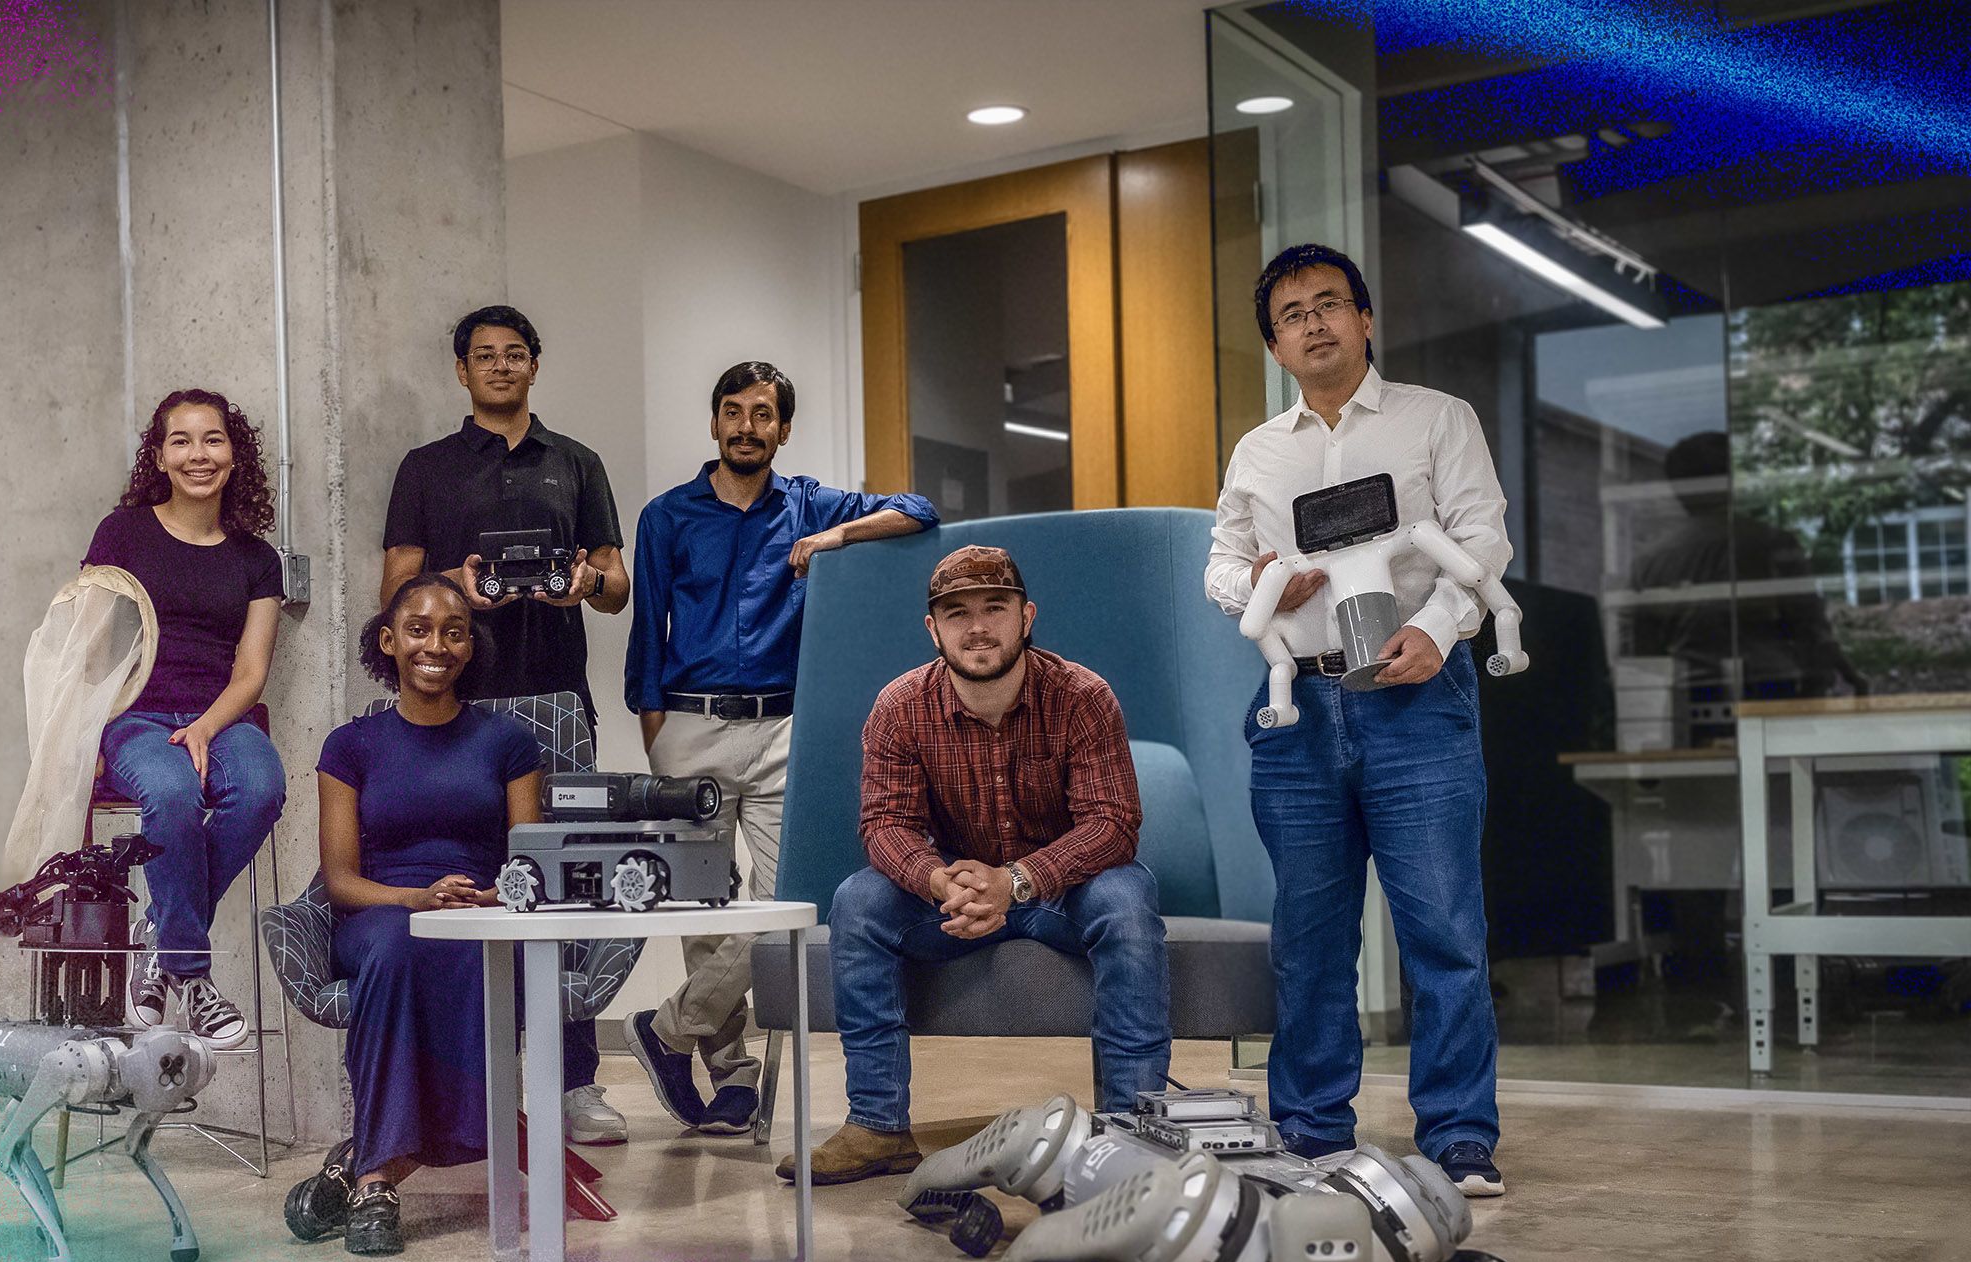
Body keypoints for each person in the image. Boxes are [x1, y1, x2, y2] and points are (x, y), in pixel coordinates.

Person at [1205, 242, 1512, 1197]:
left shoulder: (1436, 419)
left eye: (1330, 304)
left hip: (1417, 696)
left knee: (1443, 930)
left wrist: (1437, 629)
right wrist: (1259, 581)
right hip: (1298, 704)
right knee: (1309, 936)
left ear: (1365, 319)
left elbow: (1481, 539)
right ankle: (1309, 1130)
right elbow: (1220, 564)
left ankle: (1459, 1136)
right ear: (1275, 345)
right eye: (1292, 314)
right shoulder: (1259, 451)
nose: (1315, 323)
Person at [782, 545, 1169, 1185]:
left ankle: (1130, 1131)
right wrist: (940, 881)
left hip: (1057, 893)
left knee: (1126, 897)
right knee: (858, 900)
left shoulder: (1083, 696)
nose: (978, 626)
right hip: (952, 899)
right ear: (933, 629)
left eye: (995, 607)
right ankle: (877, 1127)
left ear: (1027, 617)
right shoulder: (900, 706)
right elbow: (885, 825)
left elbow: (1112, 824)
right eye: (957, 613)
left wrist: (1012, 882)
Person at [622, 360, 937, 1135]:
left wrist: (836, 534)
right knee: (703, 915)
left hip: (780, 730)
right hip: (688, 727)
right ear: (714, 422)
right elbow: (647, 631)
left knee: (790, 904)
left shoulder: (808, 504)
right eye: (733, 412)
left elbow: (918, 511)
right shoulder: (666, 516)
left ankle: (668, 1030)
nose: (746, 427)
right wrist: (657, 734)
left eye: (762, 414)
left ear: (783, 429)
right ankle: (732, 1082)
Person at [380, 304, 632, 1145]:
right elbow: (394, 588)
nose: (499, 366)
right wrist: (455, 586)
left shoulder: (577, 463)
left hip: (557, 698)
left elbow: (617, 583)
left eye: (514, 353)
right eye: (483, 355)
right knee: (467, 874)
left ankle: (574, 1082)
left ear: (534, 365)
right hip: (458, 704)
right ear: (461, 370)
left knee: (564, 881)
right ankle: (471, 1082)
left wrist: (582, 585)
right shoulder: (425, 468)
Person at [290, 574, 545, 1256]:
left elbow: (530, 862)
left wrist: (494, 897)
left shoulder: (509, 743)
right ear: (389, 641)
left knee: (474, 949)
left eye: (454, 632)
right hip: (381, 911)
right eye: (419, 629)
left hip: (479, 910)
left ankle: (370, 1173)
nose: (437, 645)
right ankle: (381, 1167)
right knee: (399, 947)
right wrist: (414, 899)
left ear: (471, 646)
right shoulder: (349, 746)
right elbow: (340, 881)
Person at [86, 387, 287, 1048]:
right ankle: (193, 976)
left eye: (213, 439)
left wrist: (203, 727)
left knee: (260, 789)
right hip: (136, 714)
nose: (198, 454)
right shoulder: (122, 533)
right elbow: (85, 642)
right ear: (160, 456)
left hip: (220, 716)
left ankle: (162, 938)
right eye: (181, 440)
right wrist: (83, 733)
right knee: (172, 793)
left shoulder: (257, 559)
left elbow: (251, 671)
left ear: (234, 453)